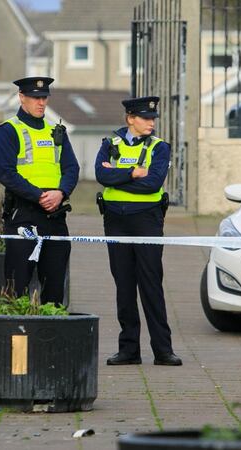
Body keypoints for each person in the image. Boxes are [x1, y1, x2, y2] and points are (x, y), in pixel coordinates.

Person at [95, 96, 181, 366]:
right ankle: (129, 350)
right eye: (145, 118)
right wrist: (132, 173)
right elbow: (100, 175)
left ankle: (163, 350)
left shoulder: (159, 148)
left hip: (146, 219)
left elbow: (153, 184)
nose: (151, 123)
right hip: (115, 220)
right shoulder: (110, 144)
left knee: (151, 283)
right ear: (130, 118)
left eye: (153, 119)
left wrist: (117, 175)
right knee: (123, 284)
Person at [0, 76, 80, 305]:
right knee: (17, 287)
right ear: (22, 97)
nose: (41, 103)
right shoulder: (8, 131)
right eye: (35, 98)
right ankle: (17, 338)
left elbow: (71, 168)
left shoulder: (56, 132)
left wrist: (60, 193)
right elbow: (6, 174)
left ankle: (50, 337)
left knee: (54, 291)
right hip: (23, 215)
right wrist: (40, 196)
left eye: (44, 98)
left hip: (55, 216)